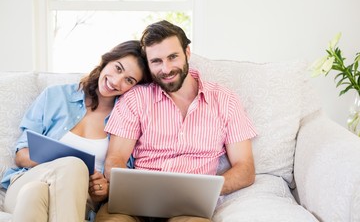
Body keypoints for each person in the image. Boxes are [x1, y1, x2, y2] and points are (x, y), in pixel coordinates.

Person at [95, 20, 258, 222]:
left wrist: (202, 190)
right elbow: (115, 160)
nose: (166, 68)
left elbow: (245, 169)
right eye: (156, 61)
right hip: (135, 206)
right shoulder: (135, 98)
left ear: (187, 53)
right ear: (148, 63)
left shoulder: (225, 100)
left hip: (189, 209)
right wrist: (135, 189)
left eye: (173, 57)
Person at [0, 40, 152, 222]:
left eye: (129, 80)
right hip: (27, 179)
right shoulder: (55, 96)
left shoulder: (127, 119)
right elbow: (22, 154)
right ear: (107, 61)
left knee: (33, 195)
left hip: (77, 198)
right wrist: (66, 166)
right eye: (118, 68)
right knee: (72, 166)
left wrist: (103, 190)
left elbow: (120, 179)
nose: (116, 81)